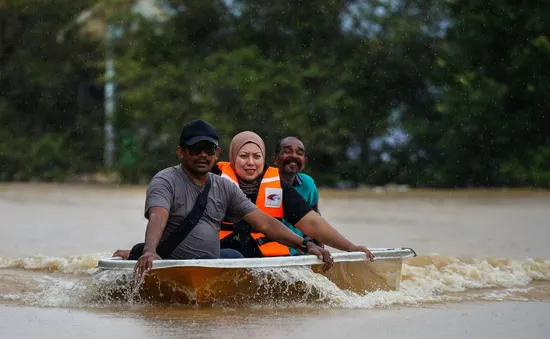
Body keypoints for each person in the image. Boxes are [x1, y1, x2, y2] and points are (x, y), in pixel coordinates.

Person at [114, 120, 333, 276]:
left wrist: (306, 245)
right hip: (173, 261)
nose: (202, 155)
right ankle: (135, 253)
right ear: (181, 152)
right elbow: (157, 218)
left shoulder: (223, 186)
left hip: (212, 262)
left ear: (217, 153)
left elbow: (265, 223)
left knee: (233, 255)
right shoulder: (165, 180)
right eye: (195, 149)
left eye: (208, 149)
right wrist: (150, 251)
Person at [214, 131, 375, 261]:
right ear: (233, 158)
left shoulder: (277, 185)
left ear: (264, 159)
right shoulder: (214, 179)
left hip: (266, 255)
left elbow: (312, 222)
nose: (251, 162)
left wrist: (350, 247)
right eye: (243, 156)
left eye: (257, 157)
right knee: (231, 255)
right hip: (225, 252)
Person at [272, 136, 322, 255]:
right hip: (269, 254)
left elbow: (315, 219)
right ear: (275, 159)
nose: (294, 156)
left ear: (304, 161)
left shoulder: (308, 184)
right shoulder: (264, 183)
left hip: (298, 252)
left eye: (299, 153)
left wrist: (320, 248)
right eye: (287, 151)